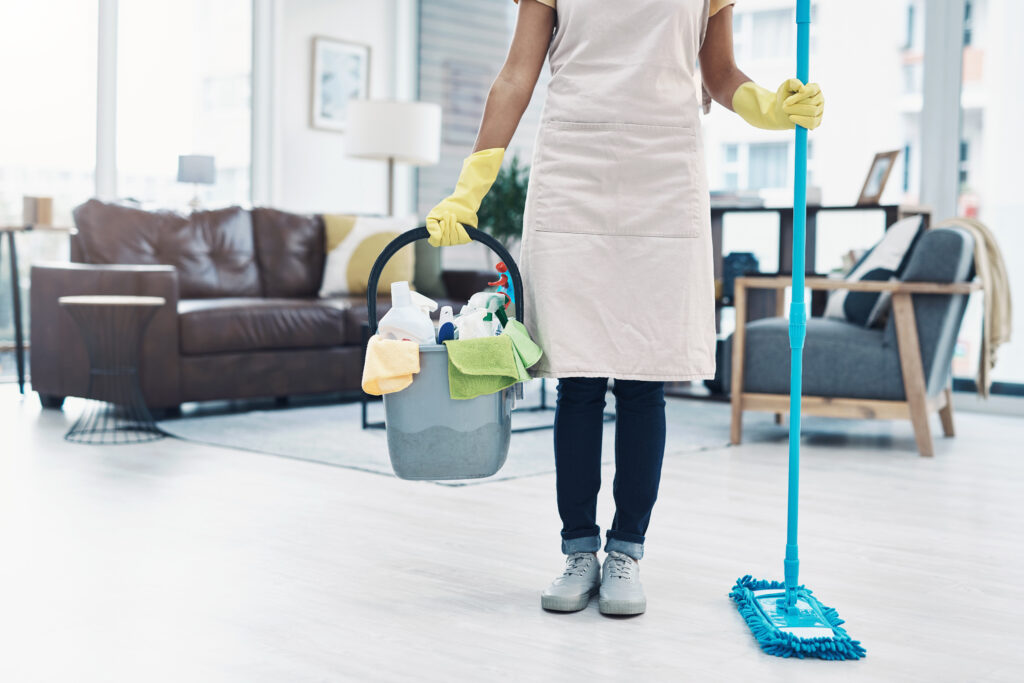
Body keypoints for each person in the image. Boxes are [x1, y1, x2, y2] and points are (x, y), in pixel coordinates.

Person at [425, 0, 824, 616]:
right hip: (572, 170)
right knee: (577, 376)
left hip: (663, 171)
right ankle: (578, 550)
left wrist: (769, 106)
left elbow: (718, 75)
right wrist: (468, 187)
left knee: (644, 376)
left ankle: (627, 552)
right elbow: (516, 76)